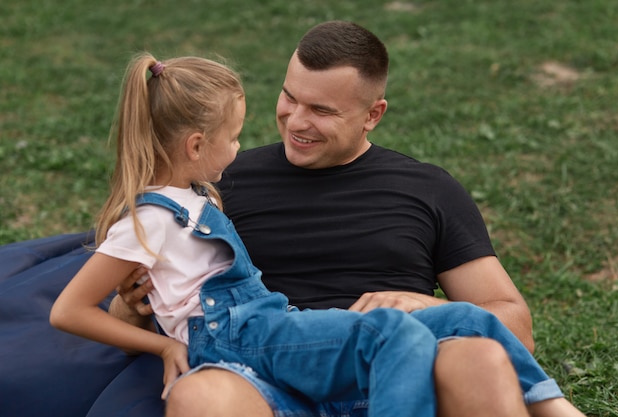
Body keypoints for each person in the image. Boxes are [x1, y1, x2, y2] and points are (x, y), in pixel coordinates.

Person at [48, 50, 579, 417]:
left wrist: (418, 302)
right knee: (204, 396)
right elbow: (145, 293)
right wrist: (133, 307)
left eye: (321, 110)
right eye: (289, 98)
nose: (295, 121)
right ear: (196, 144)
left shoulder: (428, 188)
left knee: (476, 351)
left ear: (374, 114)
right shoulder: (215, 184)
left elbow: (513, 322)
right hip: (260, 372)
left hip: (384, 368)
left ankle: (554, 406)